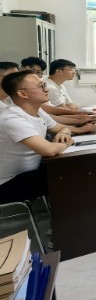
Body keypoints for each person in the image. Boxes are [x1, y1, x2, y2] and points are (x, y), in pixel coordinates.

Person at [0, 71, 74, 203]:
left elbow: (61, 127)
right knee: (73, 172)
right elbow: (49, 150)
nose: (46, 89)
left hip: (32, 171)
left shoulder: (37, 110)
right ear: (23, 93)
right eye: (41, 86)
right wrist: (66, 143)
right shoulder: (11, 118)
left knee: (73, 166)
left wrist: (64, 134)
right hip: (8, 184)